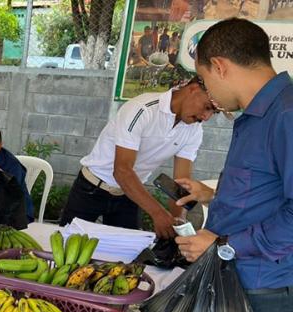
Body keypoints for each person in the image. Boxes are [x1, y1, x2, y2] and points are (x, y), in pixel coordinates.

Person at [148, 18, 293, 312]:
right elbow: (265, 191)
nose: (207, 95)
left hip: (254, 293)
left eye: (206, 81)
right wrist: (211, 194)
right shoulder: (258, 113)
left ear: (221, 65)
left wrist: (223, 243)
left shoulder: (286, 114)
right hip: (227, 286)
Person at [58, 78, 218, 239]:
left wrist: (179, 221)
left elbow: (182, 182)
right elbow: (121, 171)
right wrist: (158, 213)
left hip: (131, 195)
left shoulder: (195, 130)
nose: (206, 117)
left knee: (126, 258)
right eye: (207, 107)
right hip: (91, 189)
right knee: (66, 247)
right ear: (193, 88)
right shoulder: (142, 109)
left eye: (213, 112)